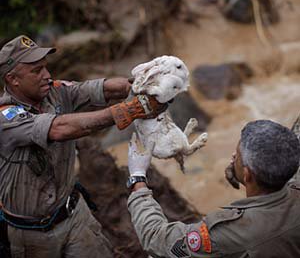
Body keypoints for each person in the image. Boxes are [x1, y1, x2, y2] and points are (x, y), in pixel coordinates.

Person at [0, 35, 167, 258]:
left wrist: (142, 85)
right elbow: (59, 129)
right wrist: (130, 110)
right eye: (36, 71)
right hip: (30, 235)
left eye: (46, 68)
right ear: (13, 79)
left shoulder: (56, 92)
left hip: (74, 216)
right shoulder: (6, 117)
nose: (47, 76)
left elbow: (100, 89)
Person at [127, 120, 300, 258]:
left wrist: (138, 177)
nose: (233, 156)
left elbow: (157, 239)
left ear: (248, 175)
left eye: (237, 156)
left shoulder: (233, 231)